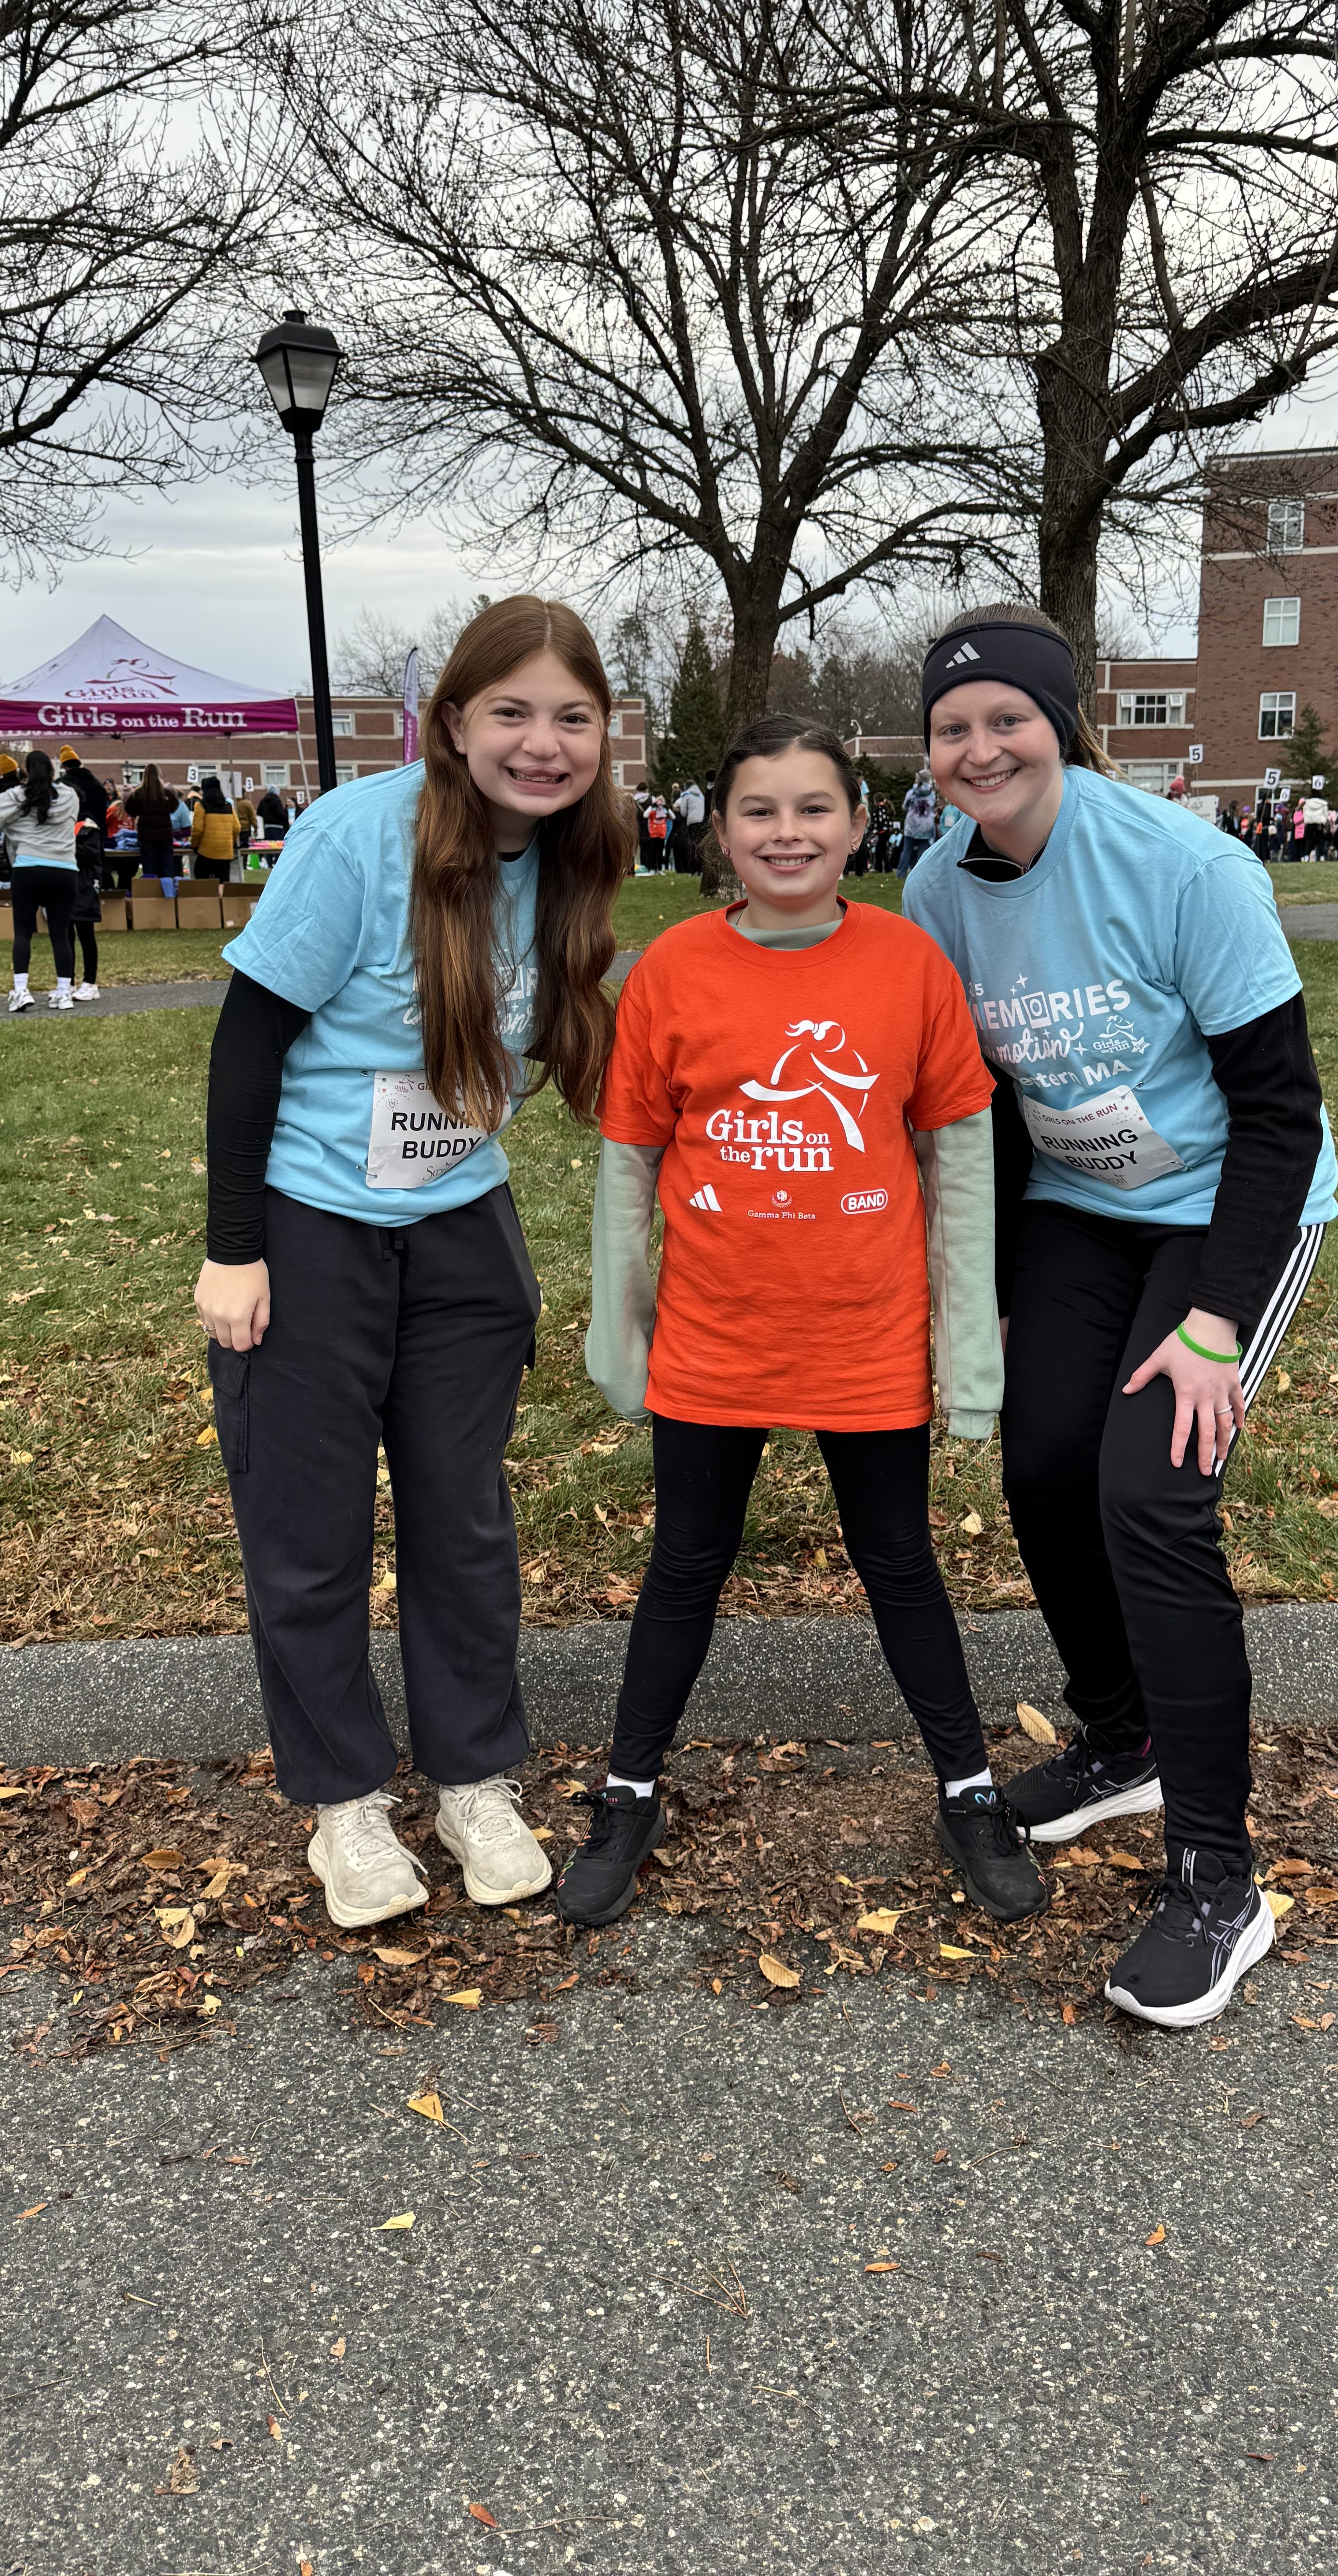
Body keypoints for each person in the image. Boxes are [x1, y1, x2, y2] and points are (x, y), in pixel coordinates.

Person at [904, 604, 1338, 2029]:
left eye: (1007, 719)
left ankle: (1220, 1875)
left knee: (1149, 1493)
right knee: (1039, 1459)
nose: (981, 747)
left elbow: (1281, 1113)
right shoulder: (936, 895)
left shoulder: (1184, 868)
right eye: (953, 727)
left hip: (1233, 1207)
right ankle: (1121, 1734)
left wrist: (1215, 1323)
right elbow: (995, 1112)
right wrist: (1017, 1293)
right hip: (1083, 1210)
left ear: (1062, 723)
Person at [557, 714, 1041, 1932]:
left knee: (901, 1567)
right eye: (760, 810)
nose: (788, 831)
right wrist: (620, 1326)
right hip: (715, 1341)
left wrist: (967, 1344)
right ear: (720, 832)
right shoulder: (672, 972)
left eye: (814, 808)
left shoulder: (906, 965)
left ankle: (969, 1787)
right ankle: (627, 1790)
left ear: (860, 825)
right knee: (684, 1568)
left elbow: (964, 1162)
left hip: (864, 1336)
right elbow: (627, 1166)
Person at [193, 596, 631, 1927]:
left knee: (464, 1522)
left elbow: (567, 1040)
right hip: (313, 1227)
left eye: (570, 718)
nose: (541, 745)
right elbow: (248, 1041)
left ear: (604, 735)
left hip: (460, 1230)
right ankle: (345, 1807)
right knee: (309, 1536)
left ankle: (472, 1778)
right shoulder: (357, 837)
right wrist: (233, 1252)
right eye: (510, 713)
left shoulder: (575, 852)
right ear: (452, 722)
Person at [0, 747, 83, 1008]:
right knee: (61, 934)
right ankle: (64, 992)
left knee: (23, 932)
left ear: (25, 771)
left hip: (28, 868)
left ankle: (21, 991)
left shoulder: (17, 797)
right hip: (65, 870)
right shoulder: (70, 796)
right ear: (53, 770)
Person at [69, 811, 104, 999]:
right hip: (66, 887)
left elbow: (90, 855)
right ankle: (67, 981)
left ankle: (90, 983)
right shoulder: (61, 826)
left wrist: (67, 845)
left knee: (86, 936)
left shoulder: (88, 828)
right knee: (65, 936)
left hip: (85, 887)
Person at [127, 768, 180, 890]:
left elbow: (130, 810)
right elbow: (174, 807)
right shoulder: (167, 794)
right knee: (167, 867)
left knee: (149, 867)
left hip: (146, 836)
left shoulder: (139, 794)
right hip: (165, 836)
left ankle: (151, 894)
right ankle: (168, 893)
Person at [191, 775, 241, 881]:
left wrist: (195, 845)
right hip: (225, 852)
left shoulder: (201, 805)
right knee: (223, 883)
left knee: (202, 880)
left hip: (206, 852)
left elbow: (198, 829)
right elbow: (237, 828)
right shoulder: (228, 806)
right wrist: (230, 844)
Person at [898, 770, 939, 877]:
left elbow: (904, 807)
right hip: (926, 826)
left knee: (906, 851)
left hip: (912, 826)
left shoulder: (912, 793)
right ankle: (920, 875)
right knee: (922, 852)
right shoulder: (932, 794)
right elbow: (933, 806)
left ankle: (901, 874)